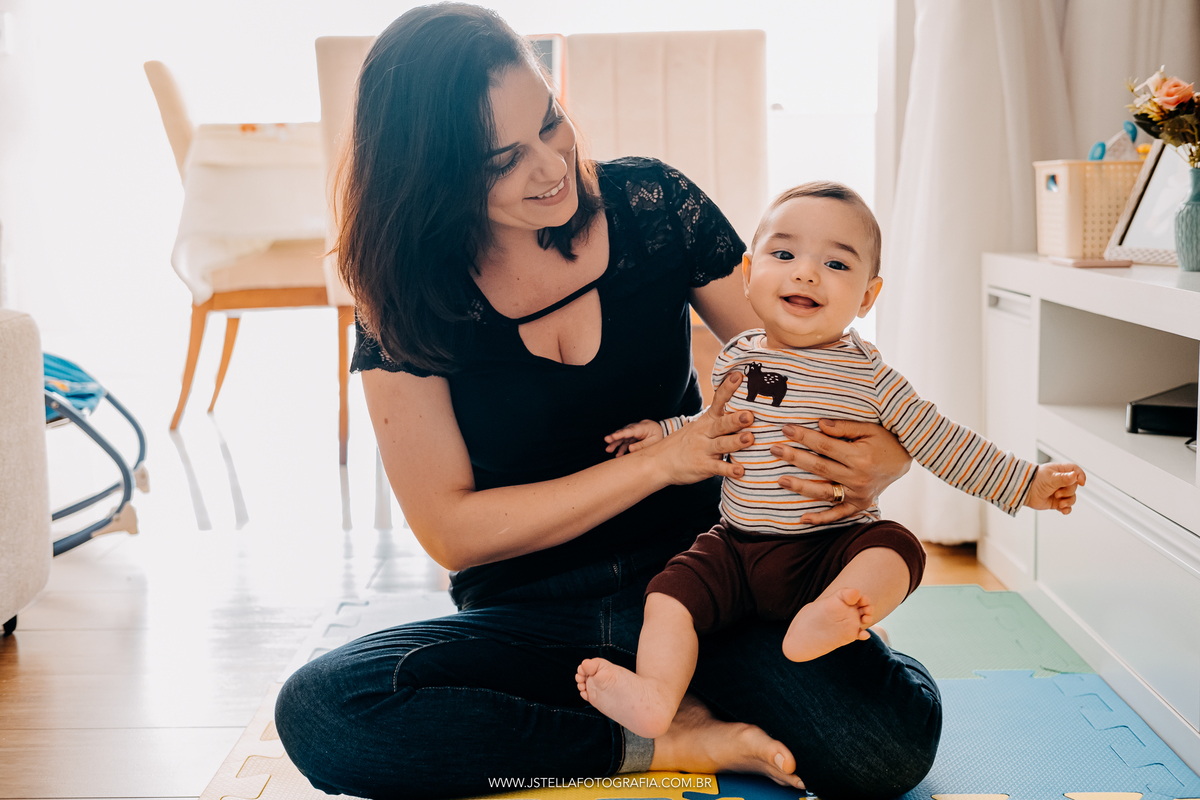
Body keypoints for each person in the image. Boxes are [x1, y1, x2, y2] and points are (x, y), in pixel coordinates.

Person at [273, 6, 941, 799]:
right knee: (325, 712)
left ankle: (668, 689)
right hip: (532, 616)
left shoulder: (654, 207)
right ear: (434, 174)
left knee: (889, 747)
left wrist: (885, 451)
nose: (551, 166)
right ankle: (660, 739)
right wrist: (661, 460)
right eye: (502, 159)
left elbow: (806, 361)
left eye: (551, 122)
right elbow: (453, 532)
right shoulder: (404, 296)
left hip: (704, 585)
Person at [573, 182, 1087, 739]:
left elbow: (944, 442)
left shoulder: (871, 377)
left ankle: (833, 613)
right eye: (785, 254)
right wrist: (664, 431)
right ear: (748, 273)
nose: (806, 273)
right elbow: (711, 425)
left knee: (896, 549)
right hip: (737, 545)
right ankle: (656, 697)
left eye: (836, 263)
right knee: (669, 595)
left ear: (868, 296)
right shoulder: (739, 358)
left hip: (827, 550)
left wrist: (1024, 483)